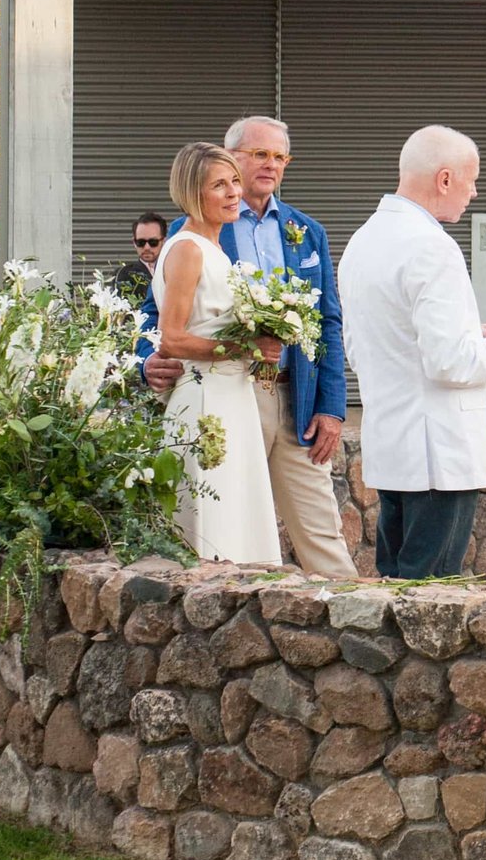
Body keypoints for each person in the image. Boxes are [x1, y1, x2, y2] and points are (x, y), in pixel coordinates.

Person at [139, 116, 355, 576]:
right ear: (230, 156)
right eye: (259, 154)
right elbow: (153, 317)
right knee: (225, 519)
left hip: (295, 398)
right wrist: (146, 363)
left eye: (280, 157)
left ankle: (348, 627)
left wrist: (332, 407)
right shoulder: (189, 234)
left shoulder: (307, 231)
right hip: (225, 396)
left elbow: (328, 322)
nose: (270, 165)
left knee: (322, 533)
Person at [341, 125, 486, 580]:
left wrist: (474, 332)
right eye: (472, 180)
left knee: (394, 582)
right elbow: (451, 362)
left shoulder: (364, 240)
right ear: (445, 179)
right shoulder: (433, 246)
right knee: (432, 590)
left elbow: (368, 344)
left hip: (393, 445)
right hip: (437, 452)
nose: (474, 193)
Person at [151, 142, 281, 566]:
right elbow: (171, 337)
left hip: (231, 395)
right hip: (205, 399)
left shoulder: (215, 250)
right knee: (211, 515)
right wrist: (245, 347)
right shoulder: (188, 249)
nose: (233, 193)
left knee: (236, 510)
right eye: (219, 185)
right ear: (192, 192)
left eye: (235, 183)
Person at [113, 211, 164, 318]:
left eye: (153, 242)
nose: (146, 247)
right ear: (134, 243)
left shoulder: (175, 270)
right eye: (141, 242)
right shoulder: (124, 274)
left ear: (164, 241)